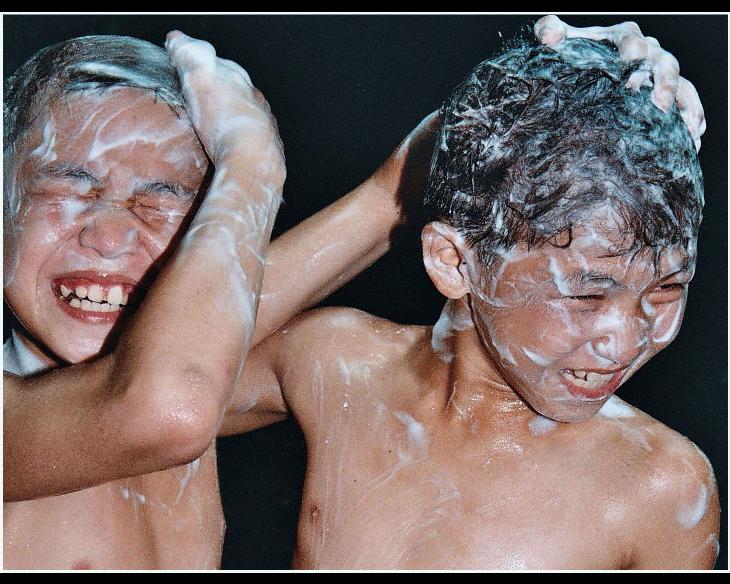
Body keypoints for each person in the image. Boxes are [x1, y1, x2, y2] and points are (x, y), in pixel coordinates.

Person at [2, 16, 709, 569]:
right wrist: (253, 163)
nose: (111, 237)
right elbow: (163, 394)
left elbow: (186, 348)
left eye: (161, 204)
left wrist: (541, 110)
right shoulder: (192, 393)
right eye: (69, 188)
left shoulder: (661, 487)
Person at [230, 29, 719, 569]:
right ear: (454, 262)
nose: (625, 343)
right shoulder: (338, 367)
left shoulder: (658, 488)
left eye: (666, 288)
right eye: (586, 294)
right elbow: (163, 377)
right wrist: (389, 191)